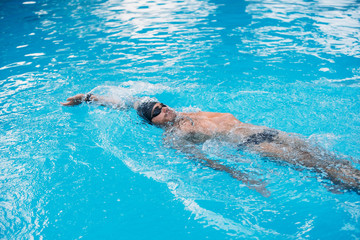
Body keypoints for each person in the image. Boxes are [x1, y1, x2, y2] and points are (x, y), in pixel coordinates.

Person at [61, 92, 360, 195]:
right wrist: (243, 176)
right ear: (152, 123)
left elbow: (127, 103)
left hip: (266, 130)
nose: (163, 109)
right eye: (157, 112)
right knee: (318, 166)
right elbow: (205, 162)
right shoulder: (175, 137)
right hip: (254, 145)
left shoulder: (187, 111)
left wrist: (89, 98)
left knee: (329, 156)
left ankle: (345, 177)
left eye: (162, 105)